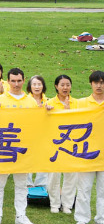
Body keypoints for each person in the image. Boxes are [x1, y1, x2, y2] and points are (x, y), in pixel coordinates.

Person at [0, 68, 37, 224]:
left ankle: (21, 215)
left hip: (22, 148)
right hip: (3, 147)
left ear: (24, 81)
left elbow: (37, 124)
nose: (16, 84)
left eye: (19, 81)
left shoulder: (31, 102)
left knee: (22, 183)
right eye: (13, 81)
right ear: (7, 81)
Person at [74, 70, 104, 224]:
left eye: (101, 82)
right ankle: (81, 219)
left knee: (103, 190)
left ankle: (102, 220)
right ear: (91, 84)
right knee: (84, 188)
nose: (99, 85)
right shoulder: (82, 103)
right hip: (86, 153)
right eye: (96, 82)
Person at [45, 74, 79, 214]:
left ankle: (67, 204)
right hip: (55, 144)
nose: (65, 88)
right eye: (62, 85)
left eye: (68, 85)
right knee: (54, 175)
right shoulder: (50, 103)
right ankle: (54, 203)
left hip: (72, 144)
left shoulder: (77, 103)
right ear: (56, 86)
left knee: (71, 175)